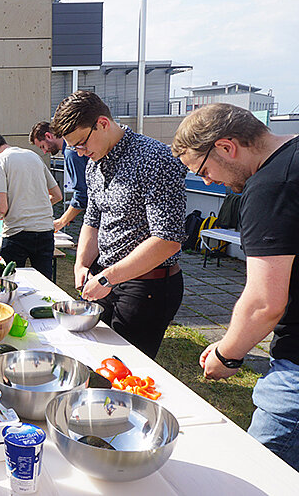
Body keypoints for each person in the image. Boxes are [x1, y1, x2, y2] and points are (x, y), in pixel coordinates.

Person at [171, 103, 299, 470]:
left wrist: (228, 354)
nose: (207, 180)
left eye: (203, 169)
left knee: (263, 475)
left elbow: (263, 303)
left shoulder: (270, 186)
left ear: (226, 147)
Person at [50, 90, 186, 359]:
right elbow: (93, 218)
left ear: (102, 123)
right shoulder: (93, 163)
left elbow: (168, 239)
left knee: (125, 369)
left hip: (148, 285)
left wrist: (107, 277)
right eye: (73, 147)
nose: (79, 152)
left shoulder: (155, 158)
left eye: (81, 143)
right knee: (94, 357)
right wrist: (81, 264)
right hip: (106, 278)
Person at [0, 133, 62, 279]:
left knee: (10, 282)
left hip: (17, 232)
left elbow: (2, 208)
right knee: (45, 282)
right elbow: (57, 195)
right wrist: (35, 204)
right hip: (45, 230)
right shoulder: (33, 156)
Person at [30, 121, 89, 232]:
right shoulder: (73, 148)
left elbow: (82, 194)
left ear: (49, 136)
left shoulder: (71, 152)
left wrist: (61, 221)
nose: (44, 151)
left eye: (43, 146)